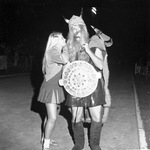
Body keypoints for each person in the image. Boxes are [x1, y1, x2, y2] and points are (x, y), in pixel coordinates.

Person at [64, 15, 112, 150]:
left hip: (93, 86)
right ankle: (78, 144)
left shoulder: (94, 42)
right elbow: (67, 66)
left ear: (83, 27)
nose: (75, 30)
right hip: (76, 87)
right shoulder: (70, 46)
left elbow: (100, 65)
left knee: (97, 117)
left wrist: (88, 50)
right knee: (75, 117)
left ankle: (95, 145)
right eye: (72, 28)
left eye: (77, 26)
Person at [38, 32, 69, 150]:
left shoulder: (55, 51)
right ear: (55, 40)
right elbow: (64, 59)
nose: (64, 39)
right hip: (50, 88)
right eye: (62, 38)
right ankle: (46, 145)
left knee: (49, 116)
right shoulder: (53, 51)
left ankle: (45, 138)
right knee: (53, 118)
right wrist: (66, 47)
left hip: (55, 87)